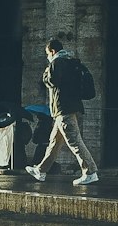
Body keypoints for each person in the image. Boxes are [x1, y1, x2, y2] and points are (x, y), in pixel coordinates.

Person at [26, 37, 98, 186]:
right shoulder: (70, 61)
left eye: (47, 54)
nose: (47, 57)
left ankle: (90, 172)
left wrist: (46, 72)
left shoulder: (57, 62)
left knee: (74, 141)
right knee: (54, 142)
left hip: (64, 109)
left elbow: (51, 81)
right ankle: (41, 171)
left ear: (52, 51)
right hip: (68, 108)